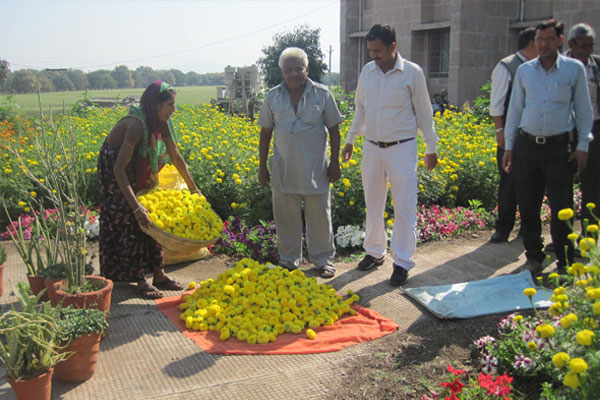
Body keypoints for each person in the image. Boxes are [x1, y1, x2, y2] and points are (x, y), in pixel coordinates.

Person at [342, 24, 438, 286]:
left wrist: (431, 147)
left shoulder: (412, 73)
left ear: (393, 47)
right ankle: (375, 251)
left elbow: (424, 112)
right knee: (373, 202)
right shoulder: (368, 71)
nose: (374, 56)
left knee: (404, 205)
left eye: (378, 51)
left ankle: (403, 262)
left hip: (402, 148)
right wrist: (351, 139)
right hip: (372, 148)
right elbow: (361, 108)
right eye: (370, 51)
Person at [502, 19, 594, 274]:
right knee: (528, 205)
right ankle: (534, 257)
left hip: (558, 149)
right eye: (539, 40)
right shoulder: (525, 71)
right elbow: (515, 110)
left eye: (549, 39)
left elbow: (584, 111)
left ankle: (565, 261)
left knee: (562, 207)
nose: (544, 45)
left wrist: (582, 146)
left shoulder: (574, 70)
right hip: (527, 146)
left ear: (560, 41)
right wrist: (510, 146)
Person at [98, 81, 201, 299]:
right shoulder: (136, 126)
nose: (174, 110)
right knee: (131, 218)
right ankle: (139, 278)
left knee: (152, 217)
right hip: (115, 170)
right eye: (170, 105)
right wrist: (136, 207)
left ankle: (159, 273)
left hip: (137, 167)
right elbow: (118, 169)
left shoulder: (161, 123)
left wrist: (195, 190)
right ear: (155, 105)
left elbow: (175, 157)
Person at [257, 47, 344, 278]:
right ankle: (289, 260)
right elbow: (265, 133)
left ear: (307, 69)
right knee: (285, 217)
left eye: (299, 68)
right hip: (284, 168)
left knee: (320, 216)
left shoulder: (322, 94)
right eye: (289, 70)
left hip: (316, 168)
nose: (294, 73)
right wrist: (262, 166)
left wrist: (335, 163)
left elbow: (334, 130)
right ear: (282, 72)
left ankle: (323, 260)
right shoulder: (273, 96)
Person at [489, 27, 538, 243]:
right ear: (532, 43)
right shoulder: (507, 66)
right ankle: (503, 227)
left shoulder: (541, 67)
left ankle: (528, 228)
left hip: (534, 134)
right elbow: (497, 104)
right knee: (509, 181)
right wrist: (500, 131)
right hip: (511, 134)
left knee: (534, 183)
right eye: (541, 40)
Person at [566, 23, 600, 234]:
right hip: (565, 132)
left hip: (593, 130)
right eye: (584, 46)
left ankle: (589, 236)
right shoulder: (559, 65)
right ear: (571, 44)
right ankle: (563, 237)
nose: (588, 50)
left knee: (593, 185)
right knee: (562, 185)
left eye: (591, 46)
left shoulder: (596, 66)